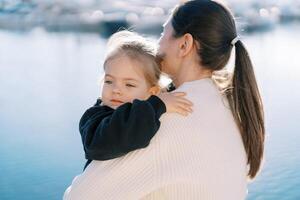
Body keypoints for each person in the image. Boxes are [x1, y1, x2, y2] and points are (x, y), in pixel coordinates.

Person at [64, 0, 265, 199]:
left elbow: (79, 197)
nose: (158, 44)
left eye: (163, 34)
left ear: (184, 44)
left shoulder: (169, 117)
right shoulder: (227, 104)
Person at [78, 30, 193, 169]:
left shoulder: (147, 106)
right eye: (109, 81)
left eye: (129, 84)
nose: (116, 90)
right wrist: (157, 105)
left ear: (152, 92)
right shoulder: (94, 117)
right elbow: (104, 143)